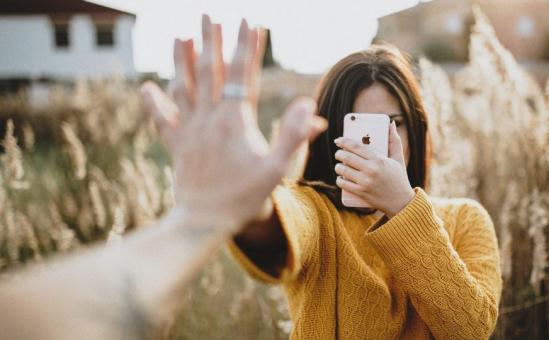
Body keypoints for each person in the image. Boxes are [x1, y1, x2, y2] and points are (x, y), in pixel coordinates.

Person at [0, 15, 327, 340]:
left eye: (381, 126)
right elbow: (300, 224)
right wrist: (205, 214)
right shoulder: (320, 209)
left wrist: (202, 215)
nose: (363, 144)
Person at [224, 32, 502, 340]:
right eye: (361, 130)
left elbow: (471, 330)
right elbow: (280, 228)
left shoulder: (466, 219)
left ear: (415, 127)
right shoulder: (316, 211)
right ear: (331, 137)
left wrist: (403, 209)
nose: (376, 146)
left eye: (393, 124)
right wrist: (253, 202)